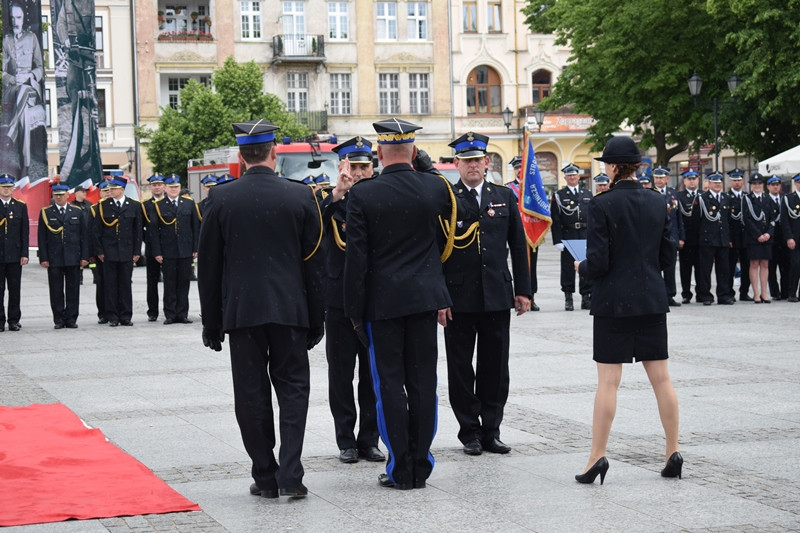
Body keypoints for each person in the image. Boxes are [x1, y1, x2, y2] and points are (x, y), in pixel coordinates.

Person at [198, 119, 324, 500]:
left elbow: (209, 267)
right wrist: (316, 319)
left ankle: (265, 476)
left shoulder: (220, 199)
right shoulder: (301, 196)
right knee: (293, 391)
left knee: (251, 395)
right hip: (289, 311)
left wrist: (211, 322)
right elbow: (313, 264)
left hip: (243, 313)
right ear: (274, 153)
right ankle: (292, 473)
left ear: (240, 156)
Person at [343, 118, 471, 491]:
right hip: (424, 301)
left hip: (381, 305)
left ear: (379, 153)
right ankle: (421, 462)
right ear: (414, 152)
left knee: (389, 385)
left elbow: (357, 260)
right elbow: (453, 233)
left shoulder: (363, 195)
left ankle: (400, 466)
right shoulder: (435, 187)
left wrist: (354, 310)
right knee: (422, 383)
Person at [574, 136, 681, 485]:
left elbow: (600, 262)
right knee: (662, 379)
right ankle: (672, 451)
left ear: (616, 166)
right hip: (651, 299)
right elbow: (668, 257)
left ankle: (597, 457)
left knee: (608, 382)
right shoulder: (657, 201)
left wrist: (582, 268)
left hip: (613, 303)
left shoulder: (601, 205)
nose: (604, 168)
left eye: (607, 163)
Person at [440, 132, 531, 456]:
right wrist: (439, 298)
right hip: (458, 299)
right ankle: (470, 432)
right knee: (460, 367)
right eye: (466, 161)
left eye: (477, 160)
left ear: (487, 162)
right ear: (457, 164)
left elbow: (518, 247)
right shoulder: (446, 197)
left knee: (495, 366)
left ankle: (492, 430)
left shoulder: (503, 196)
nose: (472, 166)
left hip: (495, 295)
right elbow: (436, 250)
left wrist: (523, 290)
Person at [321, 136, 384, 464]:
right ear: (342, 166)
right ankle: (345, 439)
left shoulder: (380, 197)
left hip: (372, 299)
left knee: (371, 374)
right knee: (341, 374)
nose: (359, 172)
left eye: (364, 166)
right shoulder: (327, 198)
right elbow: (314, 228)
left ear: (373, 167)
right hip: (338, 300)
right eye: (353, 166)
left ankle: (369, 439)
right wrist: (339, 193)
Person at [2, 3, 47, 178]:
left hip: (30, 87)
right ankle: (26, 166)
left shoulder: (32, 38)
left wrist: (29, 76)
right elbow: (3, 72)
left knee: (25, 92)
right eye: (12, 18)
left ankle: (11, 134)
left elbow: (40, 68)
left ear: (23, 19)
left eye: (18, 17)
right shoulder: (5, 40)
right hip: (13, 89)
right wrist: (13, 79)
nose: (15, 21)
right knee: (25, 116)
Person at [37, 182, 89, 328]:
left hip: (73, 257)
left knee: (73, 290)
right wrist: (44, 257)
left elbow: (84, 236)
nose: (59, 197)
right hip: (54, 258)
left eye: (61, 194)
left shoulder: (77, 212)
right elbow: (42, 237)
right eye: (56, 195)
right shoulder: (46, 212)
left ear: (68, 195)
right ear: (53, 195)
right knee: (56, 290)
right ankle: (59, 319)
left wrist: (84, 256)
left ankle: (71, 318)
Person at [150, 173, 200, 324]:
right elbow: (154, 231)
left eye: (176, 187)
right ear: (165, 188)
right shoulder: (158, 205)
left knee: (184, 282)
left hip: (185, 250)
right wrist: (157, 252)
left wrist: (195, 248)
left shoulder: (189, 203)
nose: (174, 189)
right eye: (171, 187)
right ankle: (170, 314)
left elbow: (195, 228)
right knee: (170, 283)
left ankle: (182, 313)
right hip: (168, 250)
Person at [94, 175, 142, 326]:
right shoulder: (103, 205)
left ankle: (126, 315)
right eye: (110, 188)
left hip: (127, 251)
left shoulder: (134, 205)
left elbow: (138, 231)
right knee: (110, 285)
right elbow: (97, 231)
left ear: (121, 189)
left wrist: (136, 251)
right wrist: (100, 251)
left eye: (113, 189)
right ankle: (113, 316)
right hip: (109, 252)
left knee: (125, 284)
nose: (110, 191)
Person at [550, 162, 592, 311]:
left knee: (586, 266)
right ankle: (568, 298)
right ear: (565, 178)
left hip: (585, 235)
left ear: (579, 176)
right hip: (568, 235)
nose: (572, 177)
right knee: (568, 268)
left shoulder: (587, 194)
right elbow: (555, 219)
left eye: (574, 175)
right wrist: (557, 240)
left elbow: (593, 218)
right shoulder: (559, 196)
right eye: (569, 175)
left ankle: (586, 297)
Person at [694, 172, 733, 305]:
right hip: (707, 239)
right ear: (709, 184)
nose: (717, 184)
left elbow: (728, 220)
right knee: (705, 269)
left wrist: (729, 238)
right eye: (715, 182)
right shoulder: (702, 198)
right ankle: (705, 295)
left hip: (723, 239)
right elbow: (696, 221)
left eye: (719, 182)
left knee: (724, 269)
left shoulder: (726, 198)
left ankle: (723, 295)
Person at [507, 155, 540, 311]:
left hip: (532, 232)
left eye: (522, 167)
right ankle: (518, 293)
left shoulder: (534, 189)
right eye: (517, 167)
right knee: (518, 265)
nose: (520, 170)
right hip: (516, 232)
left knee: (531, 266)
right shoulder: (508, 189)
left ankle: (531, 295)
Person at [0, 173, 29, 331]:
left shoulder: (20, 206)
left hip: (14, 254)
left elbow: (24, 233)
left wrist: (24, 253)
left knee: (14, 289)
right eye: (3, 187)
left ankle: (13, 320)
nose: (6, 189)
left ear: (13, 189)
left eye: (9, 187)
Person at [652, 166, 684, 307]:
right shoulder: (649, 193)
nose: (659, 180)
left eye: (661, 177)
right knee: (655, 267)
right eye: (656, 177)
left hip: (671, 236)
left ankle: (670, 295)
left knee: (670, 267)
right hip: (654, 237)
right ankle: (657, 295)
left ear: (667, 179)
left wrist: (681, 237)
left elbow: (679, 218)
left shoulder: (673, 194)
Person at [743, 173, 775, 303]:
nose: (757, 186)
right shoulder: (747, 199)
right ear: (751, 185)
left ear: (763, 185)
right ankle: (756, 293)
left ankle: (764, 293)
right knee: (754, 263)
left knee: (765, 264)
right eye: (754, 184)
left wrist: (768, 233)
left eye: (759, 184)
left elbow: (773, 218)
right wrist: (758, 235)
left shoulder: (768, 199)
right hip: (753, 237)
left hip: (766, 236)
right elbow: (747, 219)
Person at [725, 168, 751, 301]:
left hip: (746, 237)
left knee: (746, 266)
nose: (737, 183)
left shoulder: (747, 197)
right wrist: (728, 238)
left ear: (743, 181)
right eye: (734, 180)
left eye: (739, 180)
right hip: (733, 238)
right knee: (730, 266)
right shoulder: (726, 197)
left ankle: (744, 292)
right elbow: (725, 220)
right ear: (730, 181)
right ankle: (729, 292)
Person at [142, 173, 166, 321]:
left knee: (171, 282)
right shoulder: (145, 205)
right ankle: (153, 311)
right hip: (152, 250)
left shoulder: (171, 203)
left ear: (164, 186)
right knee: (152, 282)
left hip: (170, 248)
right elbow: (142, 228)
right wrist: (150, 242)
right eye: (154, 185)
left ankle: (171, 309)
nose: (157, 187)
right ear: (150, 187)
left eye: (159, 184)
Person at [89, 180, 112, 323]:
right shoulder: (94, 209)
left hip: (117, 251)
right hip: (101, 253)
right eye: (105, 191)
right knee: (102, 283)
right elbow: (91, 233)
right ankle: (103, 312)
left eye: (110, 190)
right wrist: (93, 253)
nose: (108, 193)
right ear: (100, 193)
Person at [677, 170, 701, 304]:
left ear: (698, 180)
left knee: (701, 268)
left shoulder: (703, 195)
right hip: (685, 239)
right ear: (684, 181)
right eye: (688, 179)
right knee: (685, 269)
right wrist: (681, 237)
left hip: (700, 239)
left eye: (694, 178)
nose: (692, 181)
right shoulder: (679, 196)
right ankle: (686, 293)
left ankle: (700, 292)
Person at [766, 176, 789, 300]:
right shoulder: (765, 200)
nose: (775, 187)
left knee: (785, 266)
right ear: (768, 186)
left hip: (784, 238)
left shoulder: (785, 199)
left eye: (777, 184)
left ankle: (785, 291)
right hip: (771, 239)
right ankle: (775, 292)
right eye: (773, 184)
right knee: (771, 268)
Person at [782, 173, 800, 302]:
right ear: (795, 183)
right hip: (795, 237)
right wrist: (789, 237)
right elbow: (785, 220)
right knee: (795, 264)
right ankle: (792, 292)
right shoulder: (789, 199)